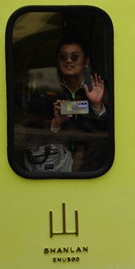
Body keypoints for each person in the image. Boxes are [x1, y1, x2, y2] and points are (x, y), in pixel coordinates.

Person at [46, 37, 109, 170]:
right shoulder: (47, 92)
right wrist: (56, 123)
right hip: (57, 165)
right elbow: (35, 135)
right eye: (63, 56)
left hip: (94, 166)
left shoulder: (99, 88)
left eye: (74, 56)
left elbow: (108, 131)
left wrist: (97, 106)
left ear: (86, 61)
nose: (68, 60)